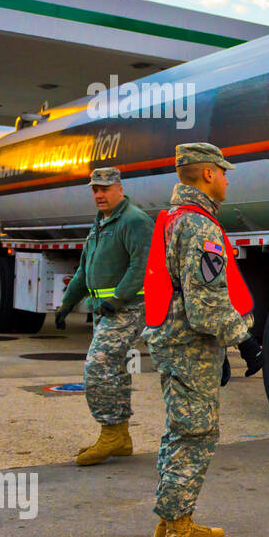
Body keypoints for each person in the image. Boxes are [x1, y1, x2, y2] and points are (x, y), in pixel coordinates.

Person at [143, 143, 261, 537]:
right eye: (224, 172)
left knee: (180, 432)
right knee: (195, 435)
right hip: (189, 344)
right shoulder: (200, 226)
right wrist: (245, 341)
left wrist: (219, 349)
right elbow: (206, 305)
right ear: (208, 174)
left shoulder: (176, 218)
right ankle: (176, 534)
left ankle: (173, 521)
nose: (228, 179)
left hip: (183, 343)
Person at [56, 167, 154, 466]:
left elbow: (143, 264)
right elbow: (85, 269)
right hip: (105, 310)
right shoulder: (100, 223)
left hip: (129, 307)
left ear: (119, 188)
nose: (99, 194)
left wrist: (119, 297)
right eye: (95, 189)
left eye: (105, 188)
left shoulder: (134, 220)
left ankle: (110, 433)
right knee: (115, 370)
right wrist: (66, 304)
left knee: (98, 367)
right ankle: (121, 437)